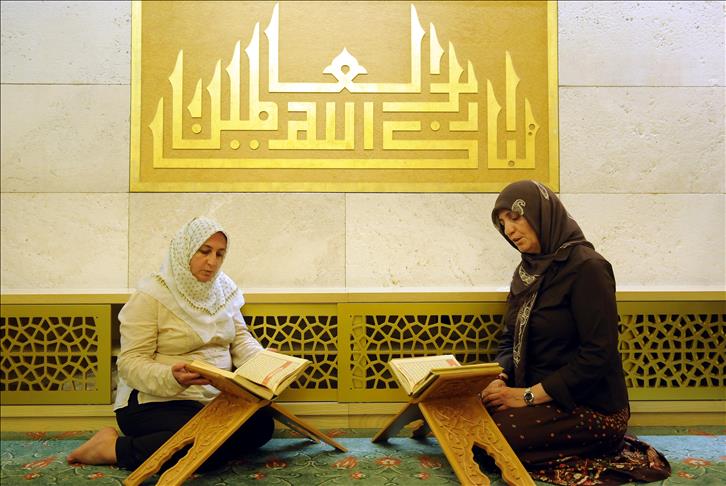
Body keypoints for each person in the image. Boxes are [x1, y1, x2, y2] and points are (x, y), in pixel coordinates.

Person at [480, 180, 670, 485]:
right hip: (534, 396)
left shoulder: (588, 268)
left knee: (493, 438)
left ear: (542, 214)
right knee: (467, 418)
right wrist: (499, 377)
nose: (509, 230)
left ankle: (592, 444)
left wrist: (526, 396)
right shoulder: (527, 272)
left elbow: (597, 356)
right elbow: (509, 338)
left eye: (515, 217)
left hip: (589, 406)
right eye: (502, 223)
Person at [67, 217, 274, 471]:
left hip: (214, 398)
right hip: (155, 401)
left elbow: (240, 339)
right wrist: (171, 376)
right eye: (204, 251)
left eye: (219, 254)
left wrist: (263, 361)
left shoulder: (225, 290)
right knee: (204, 436)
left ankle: (198, 448)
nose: (212, 262)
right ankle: (111, 449)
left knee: (261, 424)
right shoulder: (152, 295)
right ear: (185, 250)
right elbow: (130, 363)